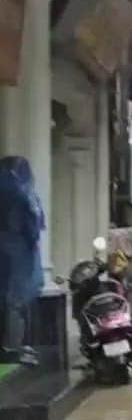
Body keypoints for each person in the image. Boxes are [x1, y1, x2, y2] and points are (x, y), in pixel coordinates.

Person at [0, 156, 45, 366]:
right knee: (15, 300)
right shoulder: (21, 192)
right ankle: (12, 349)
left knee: (10, 299)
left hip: (10, 249)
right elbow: (33, 225)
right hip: (18, 250)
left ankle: (12, 347)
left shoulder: (10, 188)